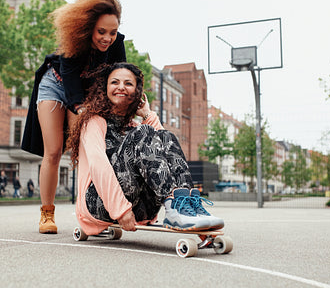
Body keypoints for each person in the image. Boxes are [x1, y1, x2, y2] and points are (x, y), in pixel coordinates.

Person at [66, 63, 224, 235]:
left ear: (136, 91)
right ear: (104, 88)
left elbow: (165, 148)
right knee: (143, 132)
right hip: (99, 204)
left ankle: (187, 207)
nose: (121, 87)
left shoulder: (134, 125)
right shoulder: (94, 122)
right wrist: (120, 210)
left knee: (167, 137)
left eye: (128, 83)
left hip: (140, 206)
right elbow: (99, 167)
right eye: (115, 82)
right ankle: (176, 208)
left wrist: (148, 115)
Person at [21, 0, 126, 234]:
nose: (107, 38)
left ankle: (97, 213)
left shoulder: (117, 44)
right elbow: (70, 85)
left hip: (86, 90)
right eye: (101, 32)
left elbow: (122, 74)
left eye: (112, 32)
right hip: (56, 84)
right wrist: (81, 109)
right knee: (55, 150)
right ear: (88, 27)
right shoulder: (73, 42)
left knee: (88, 150)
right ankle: (47, 213)